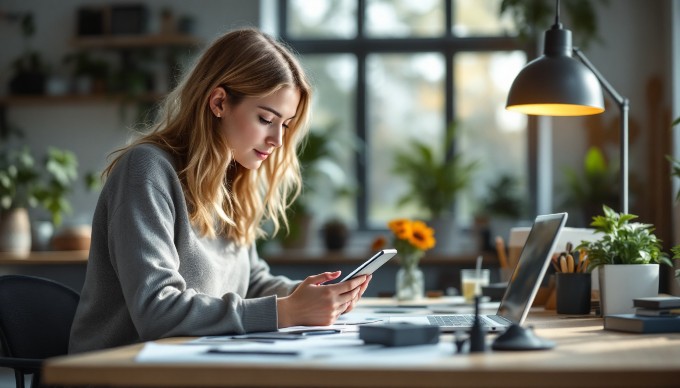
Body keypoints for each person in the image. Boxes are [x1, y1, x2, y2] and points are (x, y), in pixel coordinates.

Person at [68, 28, 372, 354]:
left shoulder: (232, 181)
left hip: (194, 365)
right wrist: (288, 311)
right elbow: (156, 311)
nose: (278, 141)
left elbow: (251, 283)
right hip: (120, 372)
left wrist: (314, 295)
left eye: (285, 124)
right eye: (266, 118)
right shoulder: (146, 171)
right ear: (219, 102)